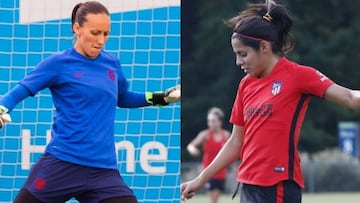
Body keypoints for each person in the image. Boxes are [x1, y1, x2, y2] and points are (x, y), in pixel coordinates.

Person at [0, 1, 180, 203]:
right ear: (77, 28)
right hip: (61, 163)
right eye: (95, 33)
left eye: (106, 34)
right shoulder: (58, 63)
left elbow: (123, 97)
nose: (101, 40)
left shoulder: (112, 63)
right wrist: (2, 108)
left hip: (103, 170)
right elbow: (21, 90)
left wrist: (161, 97)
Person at [181, 1, 360, 203]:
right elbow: (235, 142)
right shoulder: (245, 85)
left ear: (264, 47)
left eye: (243, 54)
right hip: (248, 186)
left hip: (278, 186)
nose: (238, 62)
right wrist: (199, 179)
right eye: (236, 55)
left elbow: (351, 98)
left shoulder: (298, 76)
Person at [187, 107, 230, 203]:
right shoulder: (205, 135)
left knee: (215, 199)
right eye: (209, 121)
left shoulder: (226, 135)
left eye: (213, 121)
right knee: (213, 200)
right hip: (208, 171)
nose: (211, 123)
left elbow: (232, 152)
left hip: (221, 172)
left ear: (220, 122)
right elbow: (191, 145)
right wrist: (193, 150)